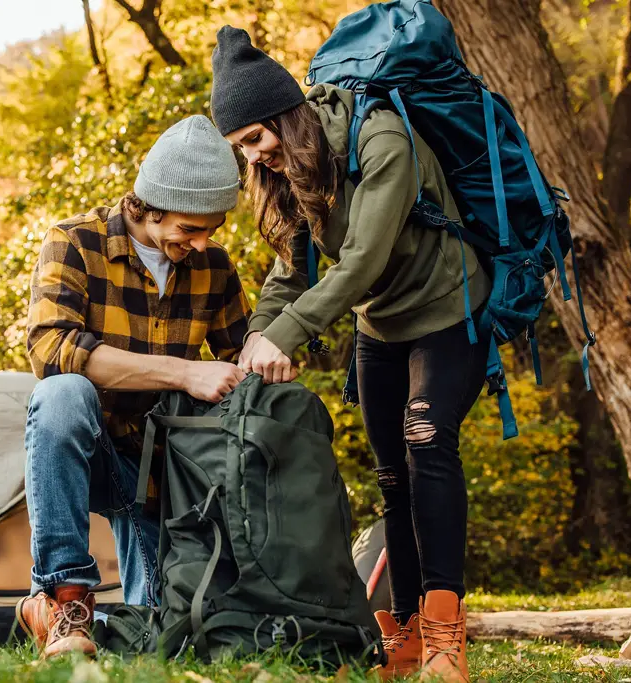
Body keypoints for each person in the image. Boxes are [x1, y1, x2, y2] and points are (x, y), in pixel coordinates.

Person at [209, 26, 491, 683]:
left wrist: (288, 335)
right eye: (240, 148)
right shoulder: (292, 169)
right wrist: (259, 333)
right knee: (391, 474)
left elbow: (360, 262)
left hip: (449, 310)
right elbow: (293, 268)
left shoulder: (380, 139)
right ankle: (408, 634)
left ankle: (449, 634)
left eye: (255, 138)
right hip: (381, 327)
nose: (254, 157)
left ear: (282, 114)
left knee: (426, 438)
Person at [17, 114, 251, 659]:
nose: (201, 243)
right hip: (92, 452)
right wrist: (185, 372)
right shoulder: (74, 242)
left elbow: (240, 356)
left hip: (167, 472)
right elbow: (52, 351)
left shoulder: (213, 266)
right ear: (149, 204)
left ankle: (47, 611)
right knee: (61, 395)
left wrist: (269, 351)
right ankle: (65, 601)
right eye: (190, 229)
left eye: (211, 230)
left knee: (158, 637)